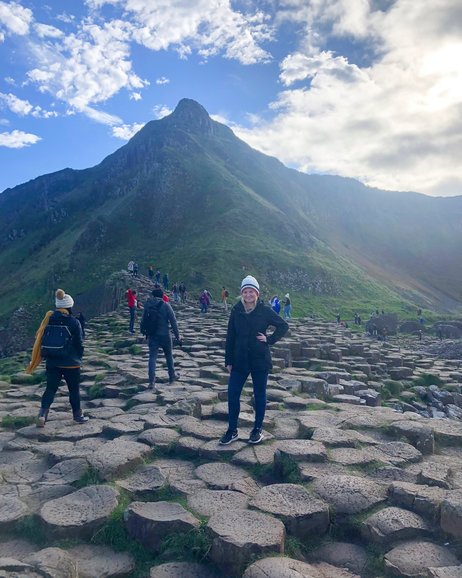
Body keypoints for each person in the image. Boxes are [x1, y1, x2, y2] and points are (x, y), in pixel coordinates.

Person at [220, 275, 288, 446]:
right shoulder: (236, 310)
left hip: (259, 360)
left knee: (259, 395)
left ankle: (257, 429)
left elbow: (283, 325)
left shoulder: (264, 310)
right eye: (245, 291)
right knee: (233, 393)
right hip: (239, 360)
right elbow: (231, 336)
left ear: (256, 293)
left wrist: (270, 339)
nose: (248, 294)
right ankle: (232, 430)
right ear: (242, 293)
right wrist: (228, 360)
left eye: (251, 291)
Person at [26, 289, 88, 427]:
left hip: (52, 361)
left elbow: (41, 337)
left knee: (50, 389)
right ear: (69, 306)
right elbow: (79, 342)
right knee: (73, 390)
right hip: (71, 362)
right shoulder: (73, 322)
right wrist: (79, 356)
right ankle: (78, 415)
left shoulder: (48, 319)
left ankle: (42, 415)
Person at [140, 287, 181, 390]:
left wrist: (144, 332)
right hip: (165, 335)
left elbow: (143, 319)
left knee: (152, 357)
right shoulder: (166, 305)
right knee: (169, 355)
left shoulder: (148, 305)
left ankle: (151, 381)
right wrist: (177, 336)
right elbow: (173, 321)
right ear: (162, 296)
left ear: (153, 295)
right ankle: (172, 376)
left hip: (152, 335)